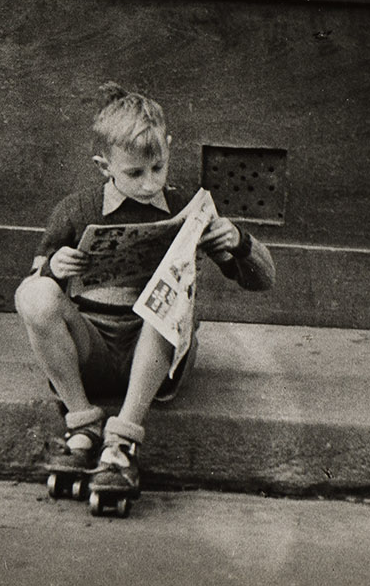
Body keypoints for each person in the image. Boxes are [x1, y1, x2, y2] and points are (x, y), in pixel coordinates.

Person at [14, 81, 275, 505]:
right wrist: (52, 267)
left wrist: (240, 242)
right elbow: (33, 287)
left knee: (169, 297)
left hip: (154, 354)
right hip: (91, 349)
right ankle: (82, 424)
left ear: (168, 149)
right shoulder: (77, 209)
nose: (150, 184)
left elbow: (263, 280)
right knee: (34, 295)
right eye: (134, 173)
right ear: (104, 165)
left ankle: (122, 442)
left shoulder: (186, 208)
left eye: (158, 168)